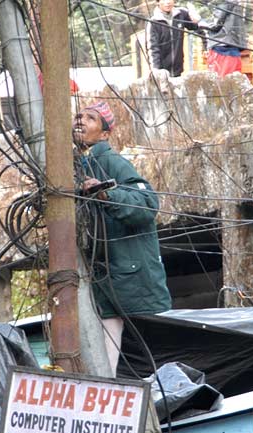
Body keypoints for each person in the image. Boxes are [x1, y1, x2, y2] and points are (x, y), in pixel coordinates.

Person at [73, 101, 172, 372]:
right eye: (79, 116)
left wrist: (106, 194)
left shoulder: (111, 162)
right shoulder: (77, 166)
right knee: (107, 363)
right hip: (104, 282)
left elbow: (147, 204)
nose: (80, 120)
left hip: (130, 277)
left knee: (152, 360)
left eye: (90, 118)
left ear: (105, 133)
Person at [147, 0, 201, 77]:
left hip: (178, 70)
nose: (168, 2)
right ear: (158, 2)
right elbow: (153, 48)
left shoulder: (181, 14)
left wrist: (195, 17)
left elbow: (194, 26)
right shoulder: (153, 22)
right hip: (162, 73)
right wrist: (155, 69)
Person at [199, 0, 247, 77]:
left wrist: (199, 21)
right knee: (233, 78)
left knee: (219, 79)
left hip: (221, 45)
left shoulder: (223, 3)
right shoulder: (232, 3)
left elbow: (216, 24)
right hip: (232, 45)